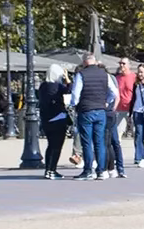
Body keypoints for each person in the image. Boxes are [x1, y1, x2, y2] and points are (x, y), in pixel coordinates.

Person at [70, 52, 117, 180]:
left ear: (85, 62)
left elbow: (75, 94)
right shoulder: (105, 74)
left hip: (86, 110)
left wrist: (73, 104)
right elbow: (114, 92)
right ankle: (101, 171)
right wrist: (106, 101)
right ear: (95, 61)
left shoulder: (81, 75)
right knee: (100, 142)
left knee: (86, 142)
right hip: (101, 111)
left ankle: (88, 170)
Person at [38, 64, 71, 179]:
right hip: (58, 118)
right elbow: (69, 89)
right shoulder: (57, 86)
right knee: (57, 146)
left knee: (50, 146)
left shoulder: (42, 86)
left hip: (46, 120)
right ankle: (52, 170)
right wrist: (67, 78)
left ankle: (48, 170)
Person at [114, 57, 135, 140]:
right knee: (118, 131)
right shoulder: (117, 78)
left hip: (132, 108)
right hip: (120, 108)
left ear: (129, 65)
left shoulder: (134, 77)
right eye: (120, 63)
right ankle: (117, 151)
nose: (121, 65)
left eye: (124, 63)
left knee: (137, 131)